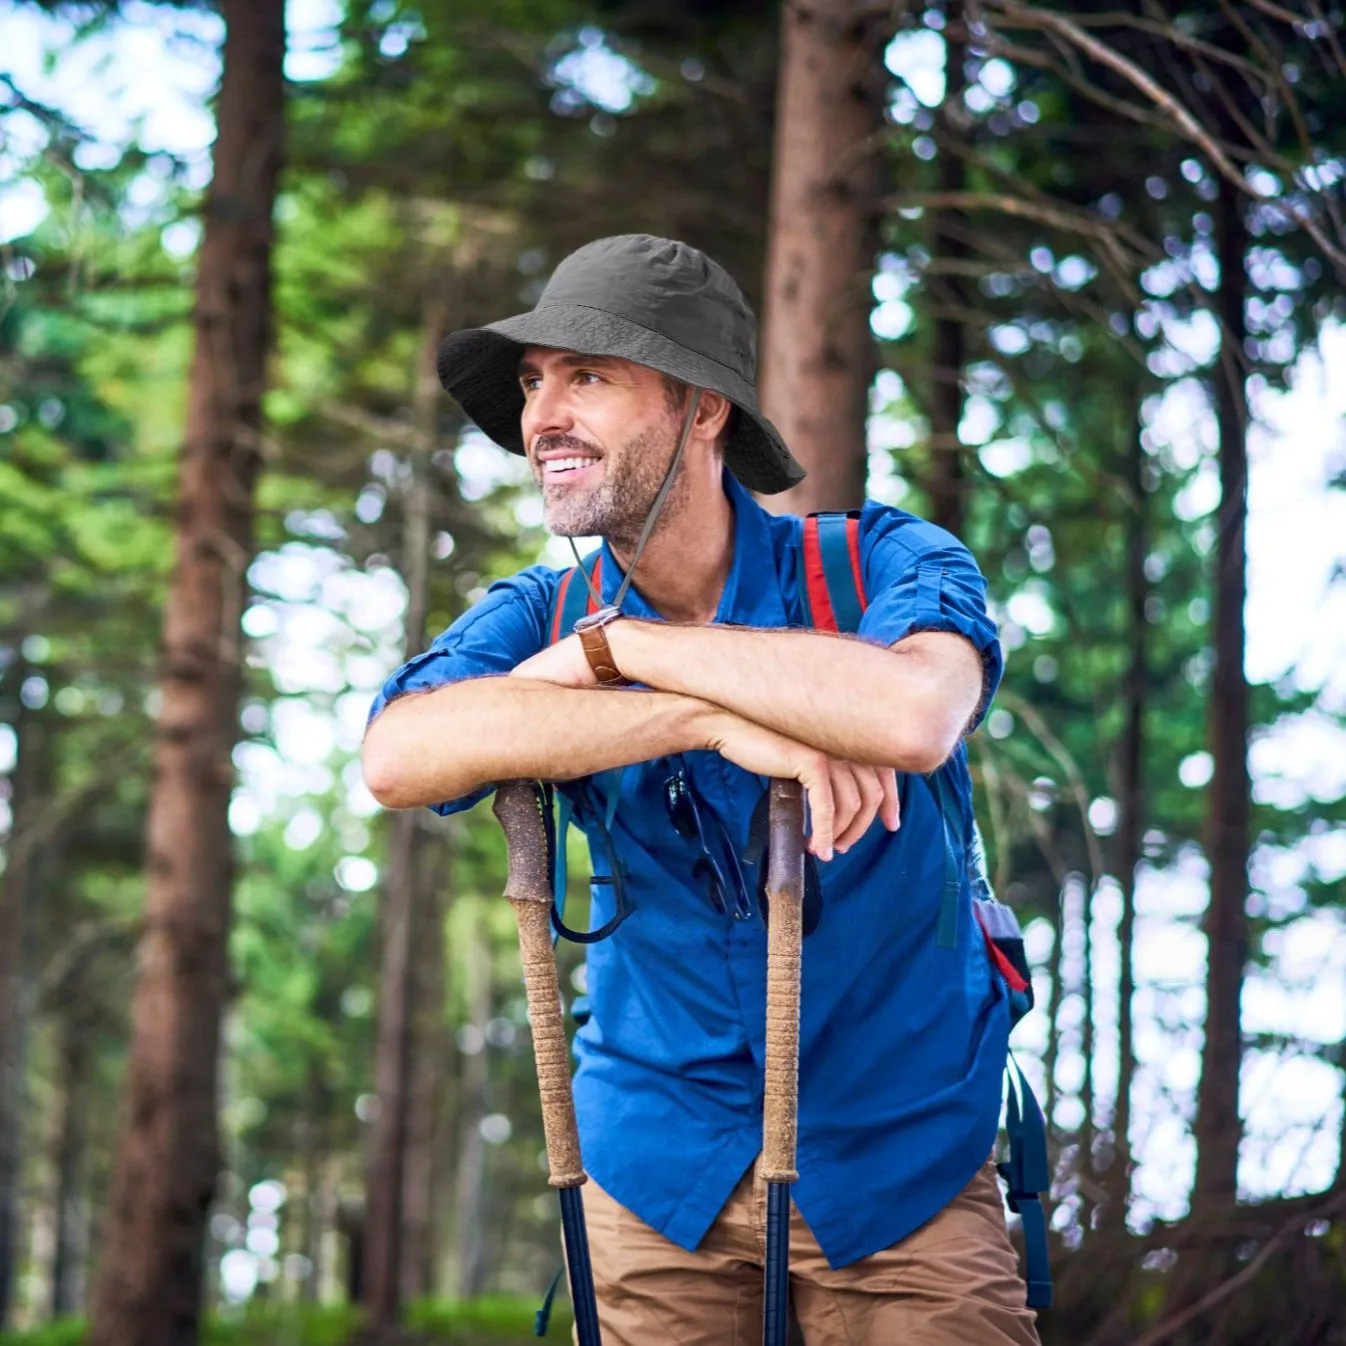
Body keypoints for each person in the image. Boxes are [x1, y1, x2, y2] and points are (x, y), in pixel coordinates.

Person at [363, 234, 1040, 1346]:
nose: (541, 417)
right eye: (533, 382)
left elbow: (914, 715)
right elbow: (401, 753)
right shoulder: (538, 608)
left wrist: (623, 651)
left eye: (587, 375)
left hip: (902, 1168)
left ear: (700, 407)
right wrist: (714, 715)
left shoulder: (874, 564)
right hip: (653, 1176)